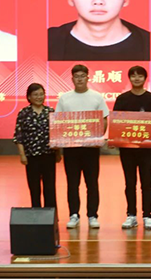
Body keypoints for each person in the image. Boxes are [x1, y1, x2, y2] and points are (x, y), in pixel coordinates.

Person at [56, 64, 110, 229]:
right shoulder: (65, 98)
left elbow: (104, 120)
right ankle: (74, 214)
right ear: (72, 79)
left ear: (88, 78)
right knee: (72, 183)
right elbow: (58, 122)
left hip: (91, 149)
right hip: (71, 149)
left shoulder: (97, 97)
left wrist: (97, 138)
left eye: (82, 76)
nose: (79, 79)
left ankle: (92, 215)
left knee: (92, 183)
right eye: (76, 76)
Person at [113, 66, 151, 230]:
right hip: (127, 149)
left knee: (147, 182)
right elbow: (117, 122)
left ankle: (147, 215)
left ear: (145, 78)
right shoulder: (122, 99)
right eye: (133, 76)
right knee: (130, 182)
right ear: (129, 78)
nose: (136, 79)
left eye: (140, 76)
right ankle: (131, 215)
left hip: (146, 150)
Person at [13, 83, 59, 208]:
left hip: (48, 155)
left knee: (50, 187)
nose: (39, 97)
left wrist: (58, 152)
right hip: (31, 156)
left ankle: (51, 215)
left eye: (41, 94)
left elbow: (57, 133)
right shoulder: (24, 113)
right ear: (29, 97)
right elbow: (19, 136)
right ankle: (36, 214)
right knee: (34, 187)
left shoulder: (50, 112)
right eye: (35, 95)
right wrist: (22, 155)